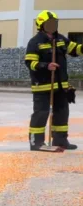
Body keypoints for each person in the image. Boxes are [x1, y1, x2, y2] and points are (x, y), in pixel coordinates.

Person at [24, 12, 79, 151]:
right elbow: (30, 62)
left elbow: (75, 49)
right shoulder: (35, 42)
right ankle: (36, 142)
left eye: (55, 22)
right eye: (49, 23)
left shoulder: (60, 39)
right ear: (41, 25)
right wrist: (45, 66)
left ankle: (60, 141)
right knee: (41, 113)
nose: (53, 25)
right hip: (42, 86)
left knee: (62, 112)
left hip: (61, 86)